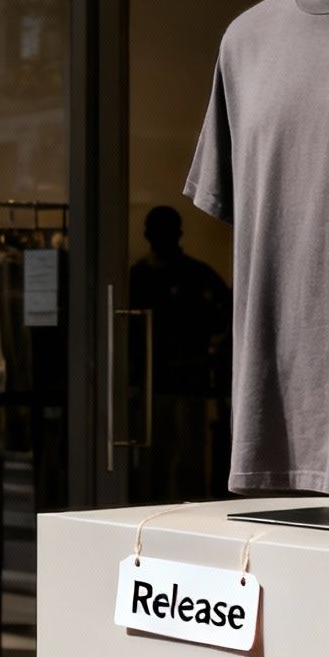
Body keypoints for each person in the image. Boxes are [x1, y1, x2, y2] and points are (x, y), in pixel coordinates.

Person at [128, 205, 232, 502]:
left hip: (185, 382)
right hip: (157, 383)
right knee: (158, 464)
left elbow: (227, 317)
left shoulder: (195, 275)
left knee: (187, 460)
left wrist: (211, 351)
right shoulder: (140, 277)